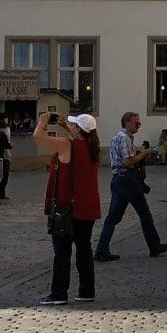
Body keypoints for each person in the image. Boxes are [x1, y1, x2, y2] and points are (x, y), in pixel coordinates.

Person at [37, 110, 102, 303]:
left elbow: (37, 137)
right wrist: (65, 124)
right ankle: (86, 291)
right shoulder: (93, 147)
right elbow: (80, 135)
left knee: (62, 252)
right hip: (87, 207)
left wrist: (43, 122)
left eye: (73, 125)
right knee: (84, 250)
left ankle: (58, 293)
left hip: (68, 207)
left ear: (77, 129)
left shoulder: (67, 146)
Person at [96, 111, 167, 262]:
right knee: (144, 212)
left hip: (118, 178)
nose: (139, 126)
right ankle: (154, 246)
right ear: (128, 122)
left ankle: (101, 250)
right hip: (127, 178)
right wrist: (143, 154)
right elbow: (128, 161)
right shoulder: (124, 138)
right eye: (137, 123)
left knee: (113, 217)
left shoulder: (118, 137)